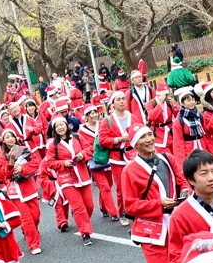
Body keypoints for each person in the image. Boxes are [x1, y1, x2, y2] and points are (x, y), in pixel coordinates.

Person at [122, 124, 190, 263]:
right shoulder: (130, 171)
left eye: (150, 134)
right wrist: (158, 204)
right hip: (151, 230)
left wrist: (185, 191)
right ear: (135, 144)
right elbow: (130, 206)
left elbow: (182, 180)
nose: (149, 139)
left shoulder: (167, 158)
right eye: (143, 137)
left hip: (177, 225)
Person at [46, 116, 95, 245]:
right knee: (79, 208)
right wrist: (63, 163)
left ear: (67, 125)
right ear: (54, 130)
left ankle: (80, 218)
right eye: (57, 126)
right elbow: (50, 163)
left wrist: (82, 155)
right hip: (66, 179)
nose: (60, 128)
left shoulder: (78, 137)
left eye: (62, 125)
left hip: (83, 176)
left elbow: (90, 149)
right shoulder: (53, 145)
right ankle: (85, 233)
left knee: (89, 206)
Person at [97, 91, 142, 225]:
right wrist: (118, 139)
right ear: (113, 103)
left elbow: (140, 132)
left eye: (123, 99)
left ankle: (138, 210)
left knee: (138, 184)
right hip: (116, 157)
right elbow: (102, 140)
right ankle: (123, 213)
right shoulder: (108, 120)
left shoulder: (133, 117)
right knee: (121, 188)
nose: (122, 101)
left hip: (133, 155)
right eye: (118, 99)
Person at [0, 129, 42, 254]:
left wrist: (23, 168)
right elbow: (5, 174)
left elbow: (35, 162)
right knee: (27, 219)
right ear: (4, 140)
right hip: (15, 191)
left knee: (36, 216)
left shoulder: (22, 149)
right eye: (7, 137)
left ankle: (29, 230)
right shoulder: (2, 156)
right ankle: (34, 245)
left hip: (29, 186)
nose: (10, 139)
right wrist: (11, 162)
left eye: (12, 136)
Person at [78, 105, 118, 220]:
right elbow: (83, 147)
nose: (95, 115)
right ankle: (113, 212)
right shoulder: (82, 131)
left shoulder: (102, 124)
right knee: (104, 186)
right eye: (92, 113)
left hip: (106, 158)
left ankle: (103, 207)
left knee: (109, 185)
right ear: (87, 116)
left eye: (96, 112)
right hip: (94, 161)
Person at [172, 87, 213, 168]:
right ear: (182, 103)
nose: (191, 102)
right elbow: (178, 143)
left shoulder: (199, 116)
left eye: (193, 100)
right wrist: (181, 163)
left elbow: (206, 136)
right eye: (188, 100)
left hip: (202, 148)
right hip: (189, 152)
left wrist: (211, 152)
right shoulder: (179, 120)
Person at [147, 83, 178, 155]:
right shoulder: (151, 103)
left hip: (171, 133)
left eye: (167, 94)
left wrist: (175, 106)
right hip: (159, 136)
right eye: (164, 94)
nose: (166, 96)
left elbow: (178, 115)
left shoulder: (169, 102)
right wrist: (159, 104)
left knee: (176, 156)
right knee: (165, 157)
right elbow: (152, 117)